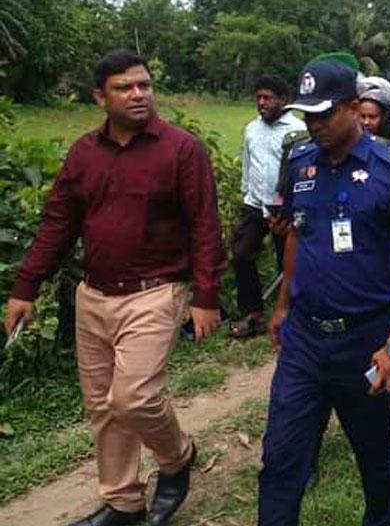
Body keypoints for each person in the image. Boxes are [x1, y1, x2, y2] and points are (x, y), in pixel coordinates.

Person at [4, 49, 225, 526]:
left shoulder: (181, 149)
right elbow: (58, 224)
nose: (139, 94)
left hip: (155, 291)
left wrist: (206, 296)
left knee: (134, 399)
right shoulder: (84, 153)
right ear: (99, 97)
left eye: (144, 84)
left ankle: (178, 456)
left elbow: (205, 226)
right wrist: (26, 287)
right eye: (125, 87)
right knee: (103, 406)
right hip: (94, 294)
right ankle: (123, 501)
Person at [258, 57, 390, 526]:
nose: (313, 124)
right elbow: (297, 233)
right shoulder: (300, 163)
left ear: (355, 107)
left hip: (365, 340)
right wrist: (282, 305)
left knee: (374, 457)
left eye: (324, 113)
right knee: (281, 459)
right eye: (307, 114)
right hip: (304, 340)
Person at [229, 76, 305, 339]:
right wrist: (246, 193)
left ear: (283, 99)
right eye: (259, 97)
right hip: (255, 204)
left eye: (268, 97)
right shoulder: (252, 129)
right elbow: (249, 165)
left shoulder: (298, 130)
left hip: (285, 207)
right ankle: (253, 313)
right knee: (241, 254)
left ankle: (293, 314)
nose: (261, 102)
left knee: (289, 260)